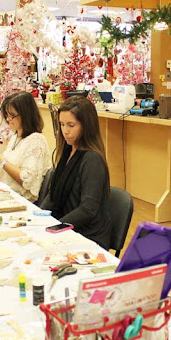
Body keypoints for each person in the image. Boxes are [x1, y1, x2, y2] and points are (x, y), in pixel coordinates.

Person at [40, 96, 112, 249]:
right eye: (62, 124)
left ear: (86, 126)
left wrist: (56, 227)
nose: (65, 131)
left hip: (86, 236)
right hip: (67, 228)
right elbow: (53, 195)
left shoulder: (92, 159)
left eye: (71, 125)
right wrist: (38, 217)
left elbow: (88, 210)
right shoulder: (67, 150)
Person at [0, 91, 51, 203]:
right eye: (7, 115)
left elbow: (28, 181)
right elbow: (11, 164)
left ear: (26, 114)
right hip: (8, 195)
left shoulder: (36, 140)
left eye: (12, 115)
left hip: (21, 202)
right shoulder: (16, 136)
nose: (8, 119)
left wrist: (1, 161)